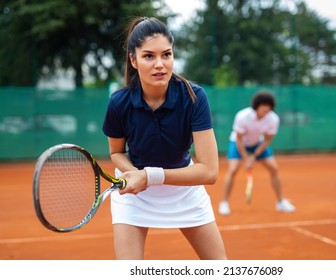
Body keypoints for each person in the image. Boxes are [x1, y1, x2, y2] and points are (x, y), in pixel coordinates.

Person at [102, 16, 227, 260]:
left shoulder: (194, 97)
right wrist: (132, 174)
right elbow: (117, 152)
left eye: (166, 55)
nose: (160, 64)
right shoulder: (119, 102)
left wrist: (149, 176)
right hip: (135, 197)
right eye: (149, 56)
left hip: (184, 189)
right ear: (133, 60)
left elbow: (209, 172)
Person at [218, 90, 296, 216]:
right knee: (233, 169)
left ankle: (281, 202)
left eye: (269, 108)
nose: (266, 111)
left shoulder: (273, 119)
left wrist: (253, 157)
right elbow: (238, 139)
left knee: (274, 168)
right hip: (238, 143)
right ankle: (224, 203)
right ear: (257, 106)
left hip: (257, 144)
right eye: (264, 107)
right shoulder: (242, 116)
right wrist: (245, 158)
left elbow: (267, 141)